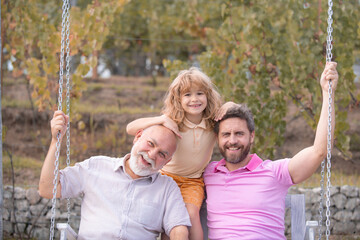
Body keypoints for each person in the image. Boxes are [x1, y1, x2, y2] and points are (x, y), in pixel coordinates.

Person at [203, 62, 338, 240]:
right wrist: (229, 104)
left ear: (251, 136)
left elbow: (319, 151)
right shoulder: (208, 173)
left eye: (239, 133)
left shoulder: (274, 172)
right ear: (217, 138)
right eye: (226, 134)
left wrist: (328, 93)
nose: (233, 140)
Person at [39, 110, 191, 240]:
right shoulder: (96, 167)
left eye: (162, 154)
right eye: (150, 144)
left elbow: (179, 228)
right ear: (138, 137)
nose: (151, 155)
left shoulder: (167, 188)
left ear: (167, 161)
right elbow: (47, 189)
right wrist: (55, 142)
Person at [126, 67, 223, 240]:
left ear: (208, 95)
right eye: (187, 95)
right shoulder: (173, 121)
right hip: (165, 178)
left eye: (199, 93)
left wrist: (229, 105)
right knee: (169, 222)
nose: (194, 99)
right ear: (178, 99)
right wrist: (161, 119)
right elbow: (130, 128)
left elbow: (233, 112)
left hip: (192, 181)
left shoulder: (213, 122)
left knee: (191, 215)